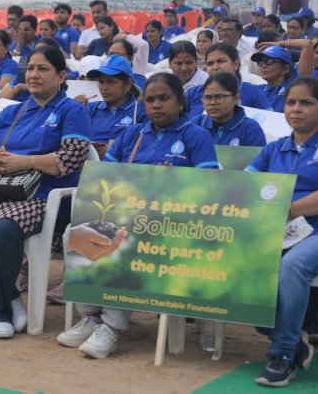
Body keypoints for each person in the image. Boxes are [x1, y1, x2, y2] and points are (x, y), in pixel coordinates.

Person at [58, 73, 218, 358]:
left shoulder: (195, 136)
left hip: (173, 222)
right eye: (151, 100)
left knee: (124, 237)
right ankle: (92, 315)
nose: (156, 105)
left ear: (180, 102)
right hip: (125, 211)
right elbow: (105, 176)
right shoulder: (133, 134)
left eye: (164, 98)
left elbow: (208, 187)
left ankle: (112, 326)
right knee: (75, 230)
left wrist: (176, 181)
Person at [0, 46, 92, 339]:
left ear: (61, 76)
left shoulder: (70, 110)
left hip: (44, 196)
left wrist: (24, 162)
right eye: (31, 69)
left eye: (43, 69)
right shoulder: (11, 111)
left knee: (6, 226)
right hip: (0, 190)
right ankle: (8, 297)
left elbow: (72, 158)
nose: (34, 75)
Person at [249, 76, 318, 387]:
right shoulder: (274, 148)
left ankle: (283, 354)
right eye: (291, 102)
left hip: (317, 232)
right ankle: (290, 337)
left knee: (293, 266)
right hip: (277, 231)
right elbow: (247, 183)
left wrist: (290, 208)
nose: (296, 109)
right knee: (235, 261)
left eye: (306, 102)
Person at [82, 54, 146, 159]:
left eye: (110, 82)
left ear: (128, 83)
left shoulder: (140, 111)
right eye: (101, 82)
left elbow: (146, 147)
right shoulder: (89, 108)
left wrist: (112, 150)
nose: (104, 88)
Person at [186, 43, 273, 117]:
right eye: (210, 63)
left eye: (221, 61)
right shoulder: (194, 92)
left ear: (235, 64)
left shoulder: (252, 92)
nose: (215, 67)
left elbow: (270, 121)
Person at [191, 72, 267, 147]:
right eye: (207, 98)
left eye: (219, 97)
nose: (212, 102)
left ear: (236, 98)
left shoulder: (250, 129)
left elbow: (259, 159)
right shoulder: (196, 123)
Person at [253, 40, 314, 112]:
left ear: (285, 69)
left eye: (269, 61)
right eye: (260, 62)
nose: (263, 66)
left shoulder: (297, 85)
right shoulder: (257, 91)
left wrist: (279, 43)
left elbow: (307, 44)